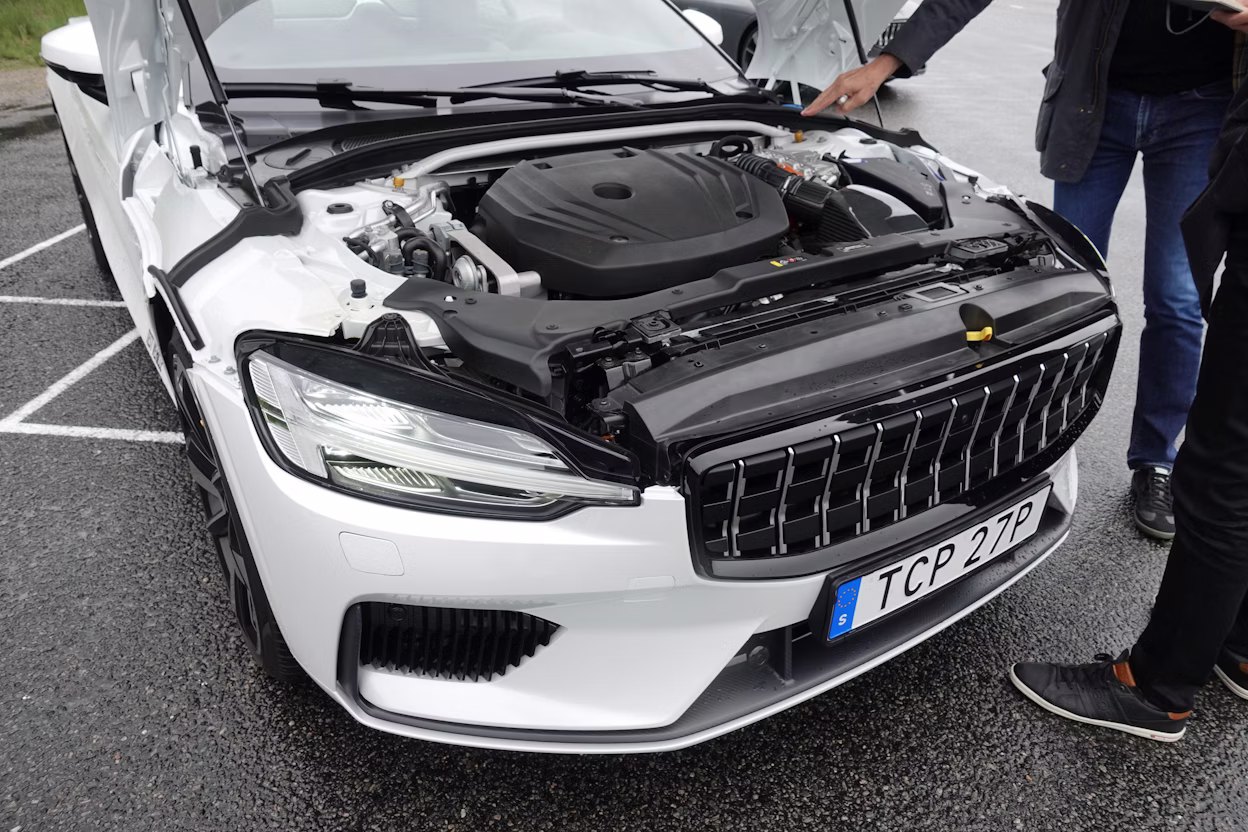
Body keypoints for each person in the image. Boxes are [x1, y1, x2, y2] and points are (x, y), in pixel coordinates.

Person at [803, 0, 1244, 540]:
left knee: (1175, 300)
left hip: (1201, 108)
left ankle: (1157, 461)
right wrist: (888, 61)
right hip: (1093, 100)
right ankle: (1037, 442)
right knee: (1061, 287)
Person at [1007, 8, 1248, 742]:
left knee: (1220, 467)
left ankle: (1156, 687)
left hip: (1201, 109)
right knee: (1069, 296)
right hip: (1100, 99)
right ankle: (1237, 649)